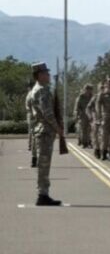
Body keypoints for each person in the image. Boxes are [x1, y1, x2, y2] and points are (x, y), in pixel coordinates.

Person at [28, 62, 63, 206]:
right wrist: (58, 129)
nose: (48, 75)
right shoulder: (41, 90)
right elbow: (47, 113)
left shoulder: (39, 89)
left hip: (43, 131)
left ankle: (44, 194)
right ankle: (42, 195)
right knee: (44, 165)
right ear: (39, 75)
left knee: (44, 165)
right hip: (45, 131)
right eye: (46, 73)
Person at [25, 81, 37, 167]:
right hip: (35, 117)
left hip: (35, 117)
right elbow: (28, 106)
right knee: (35, 137)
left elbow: (27, 106)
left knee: (34, 136)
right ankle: (35, 158)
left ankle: (34, 158)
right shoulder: (33, 93)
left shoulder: (30, 94)